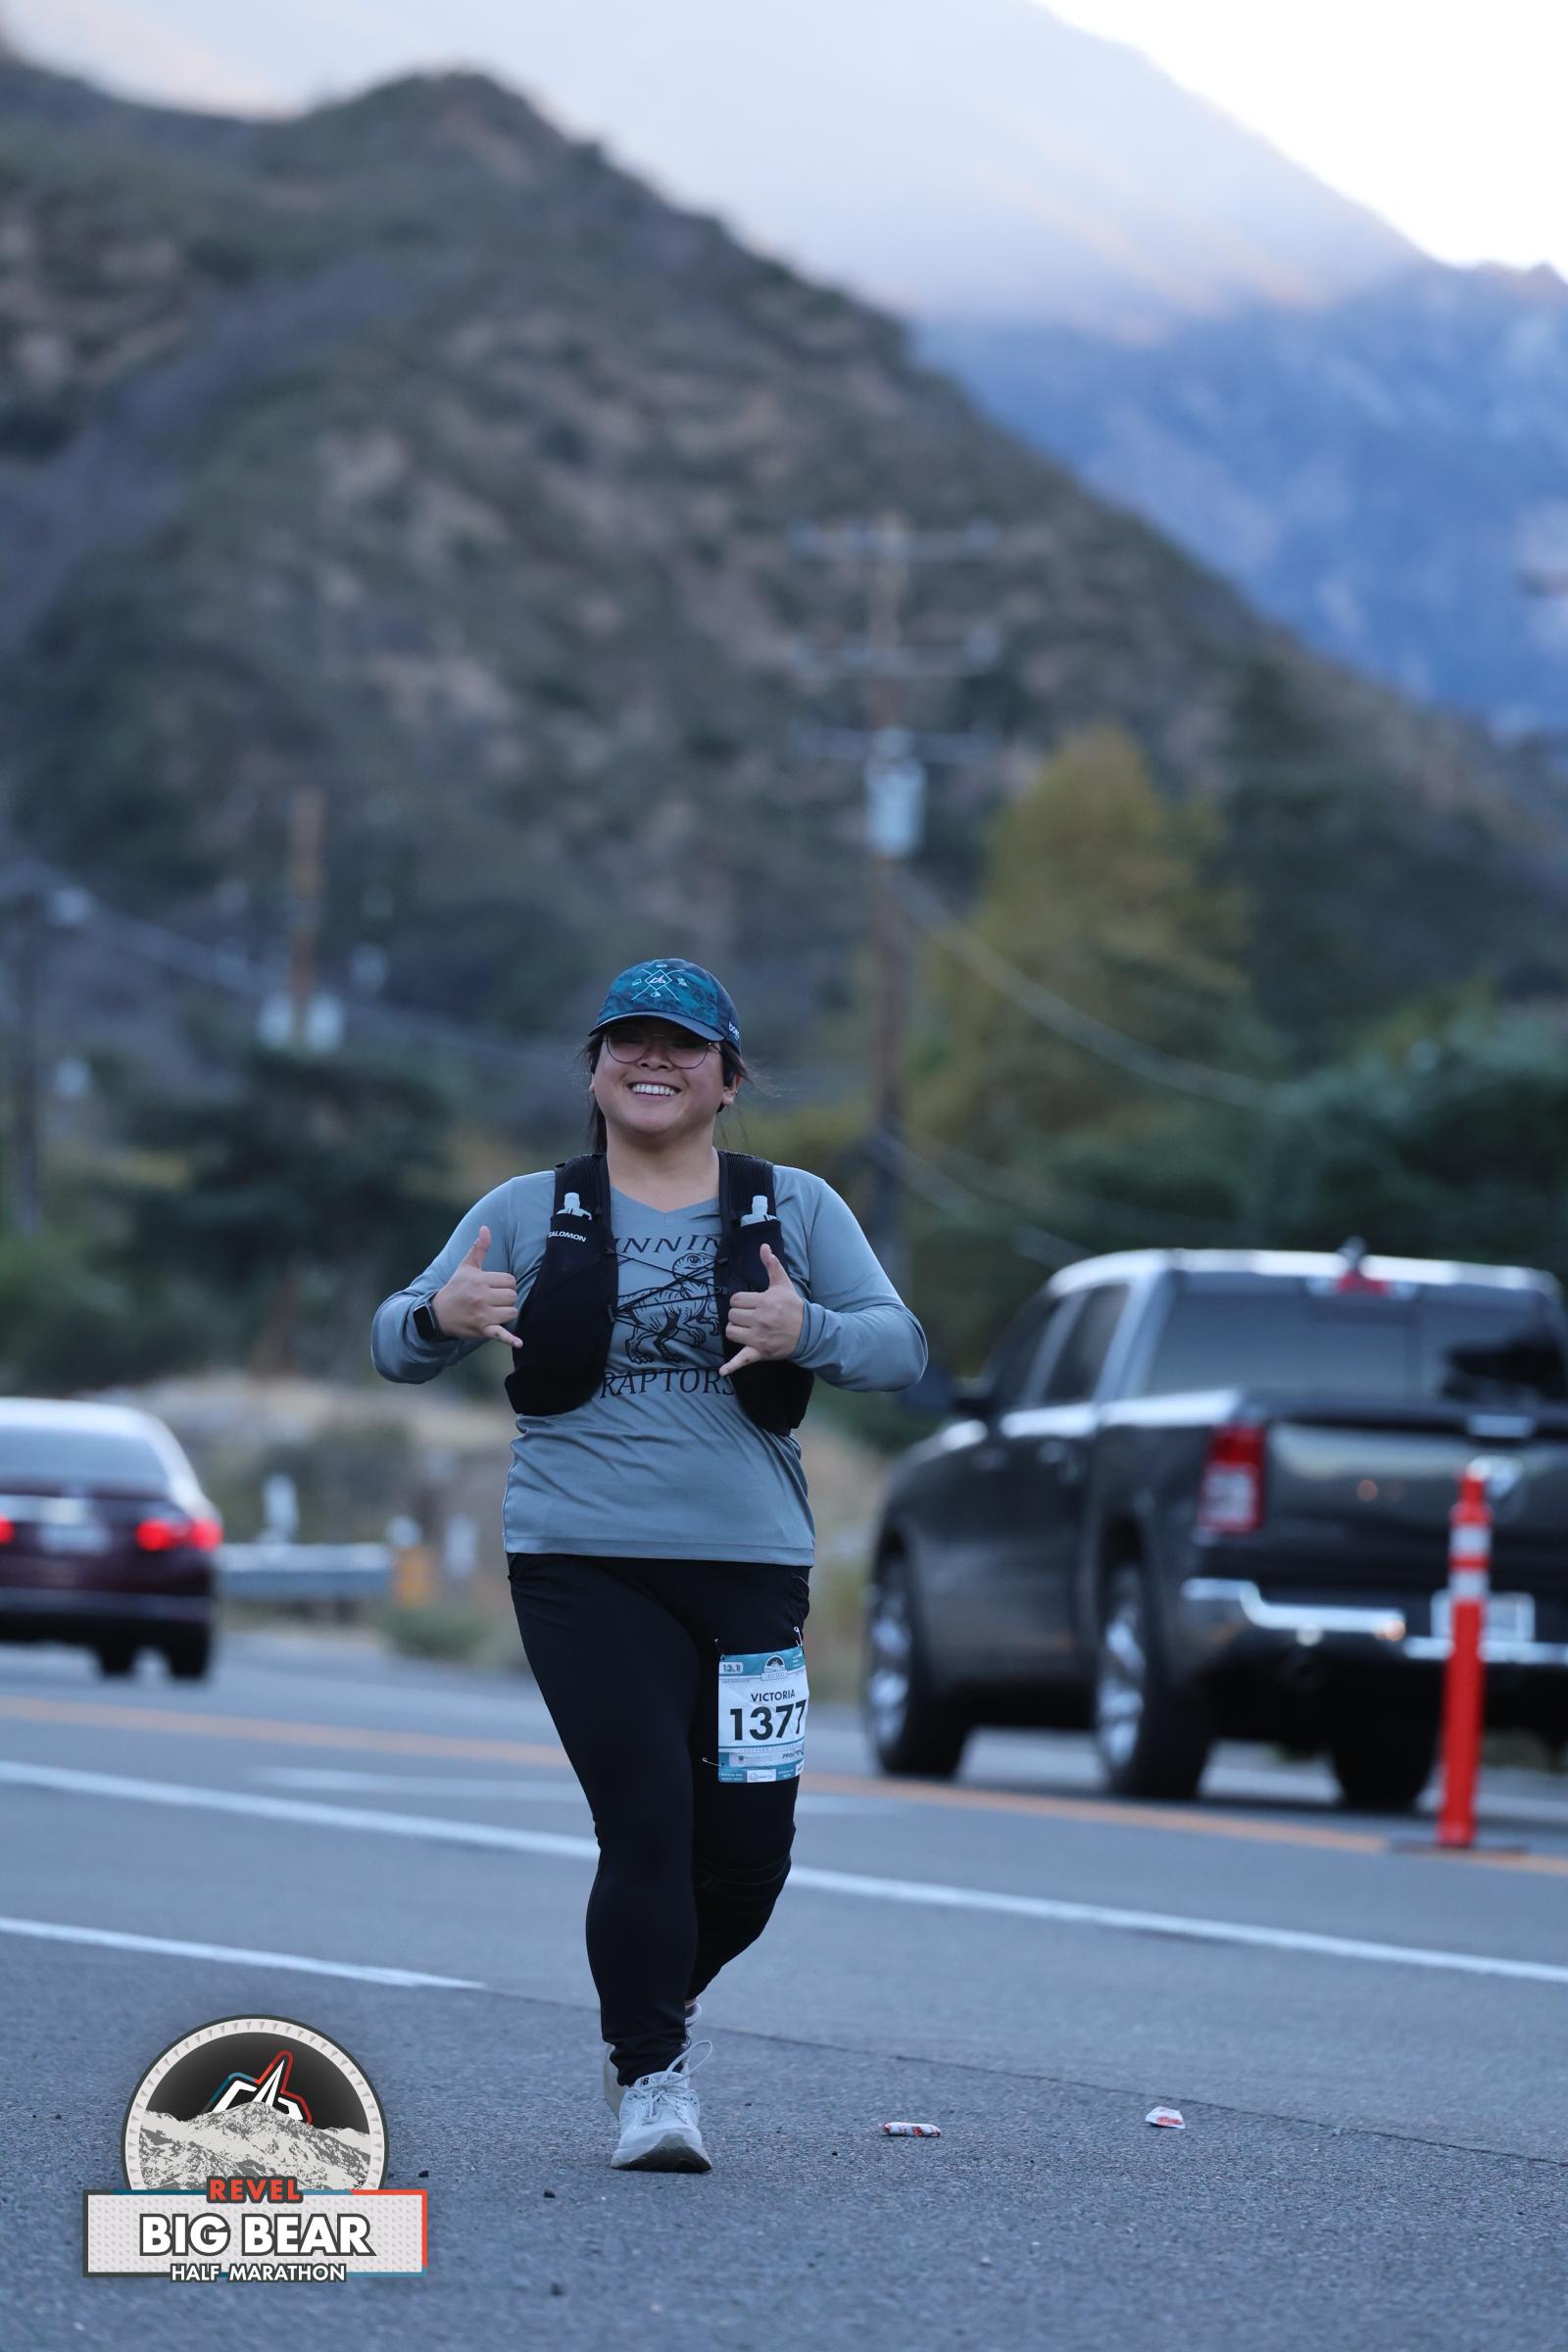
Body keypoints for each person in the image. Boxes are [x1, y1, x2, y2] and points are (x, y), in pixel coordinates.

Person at [370, 958, 927, 2173]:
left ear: (728, 1079)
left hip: (752, 1567)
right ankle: (652, 2079)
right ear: (595, 1069)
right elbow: (394, 1340)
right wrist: (437, 1317)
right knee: (646, 1820)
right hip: (581, 1561)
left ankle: (650, 1996)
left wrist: (810, 1330)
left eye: (682, 1045)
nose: (652, 1061)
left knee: (749, 1858)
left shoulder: (795, 1208)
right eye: (628, 1041)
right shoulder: (528, 1209)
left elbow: (900, 1350)